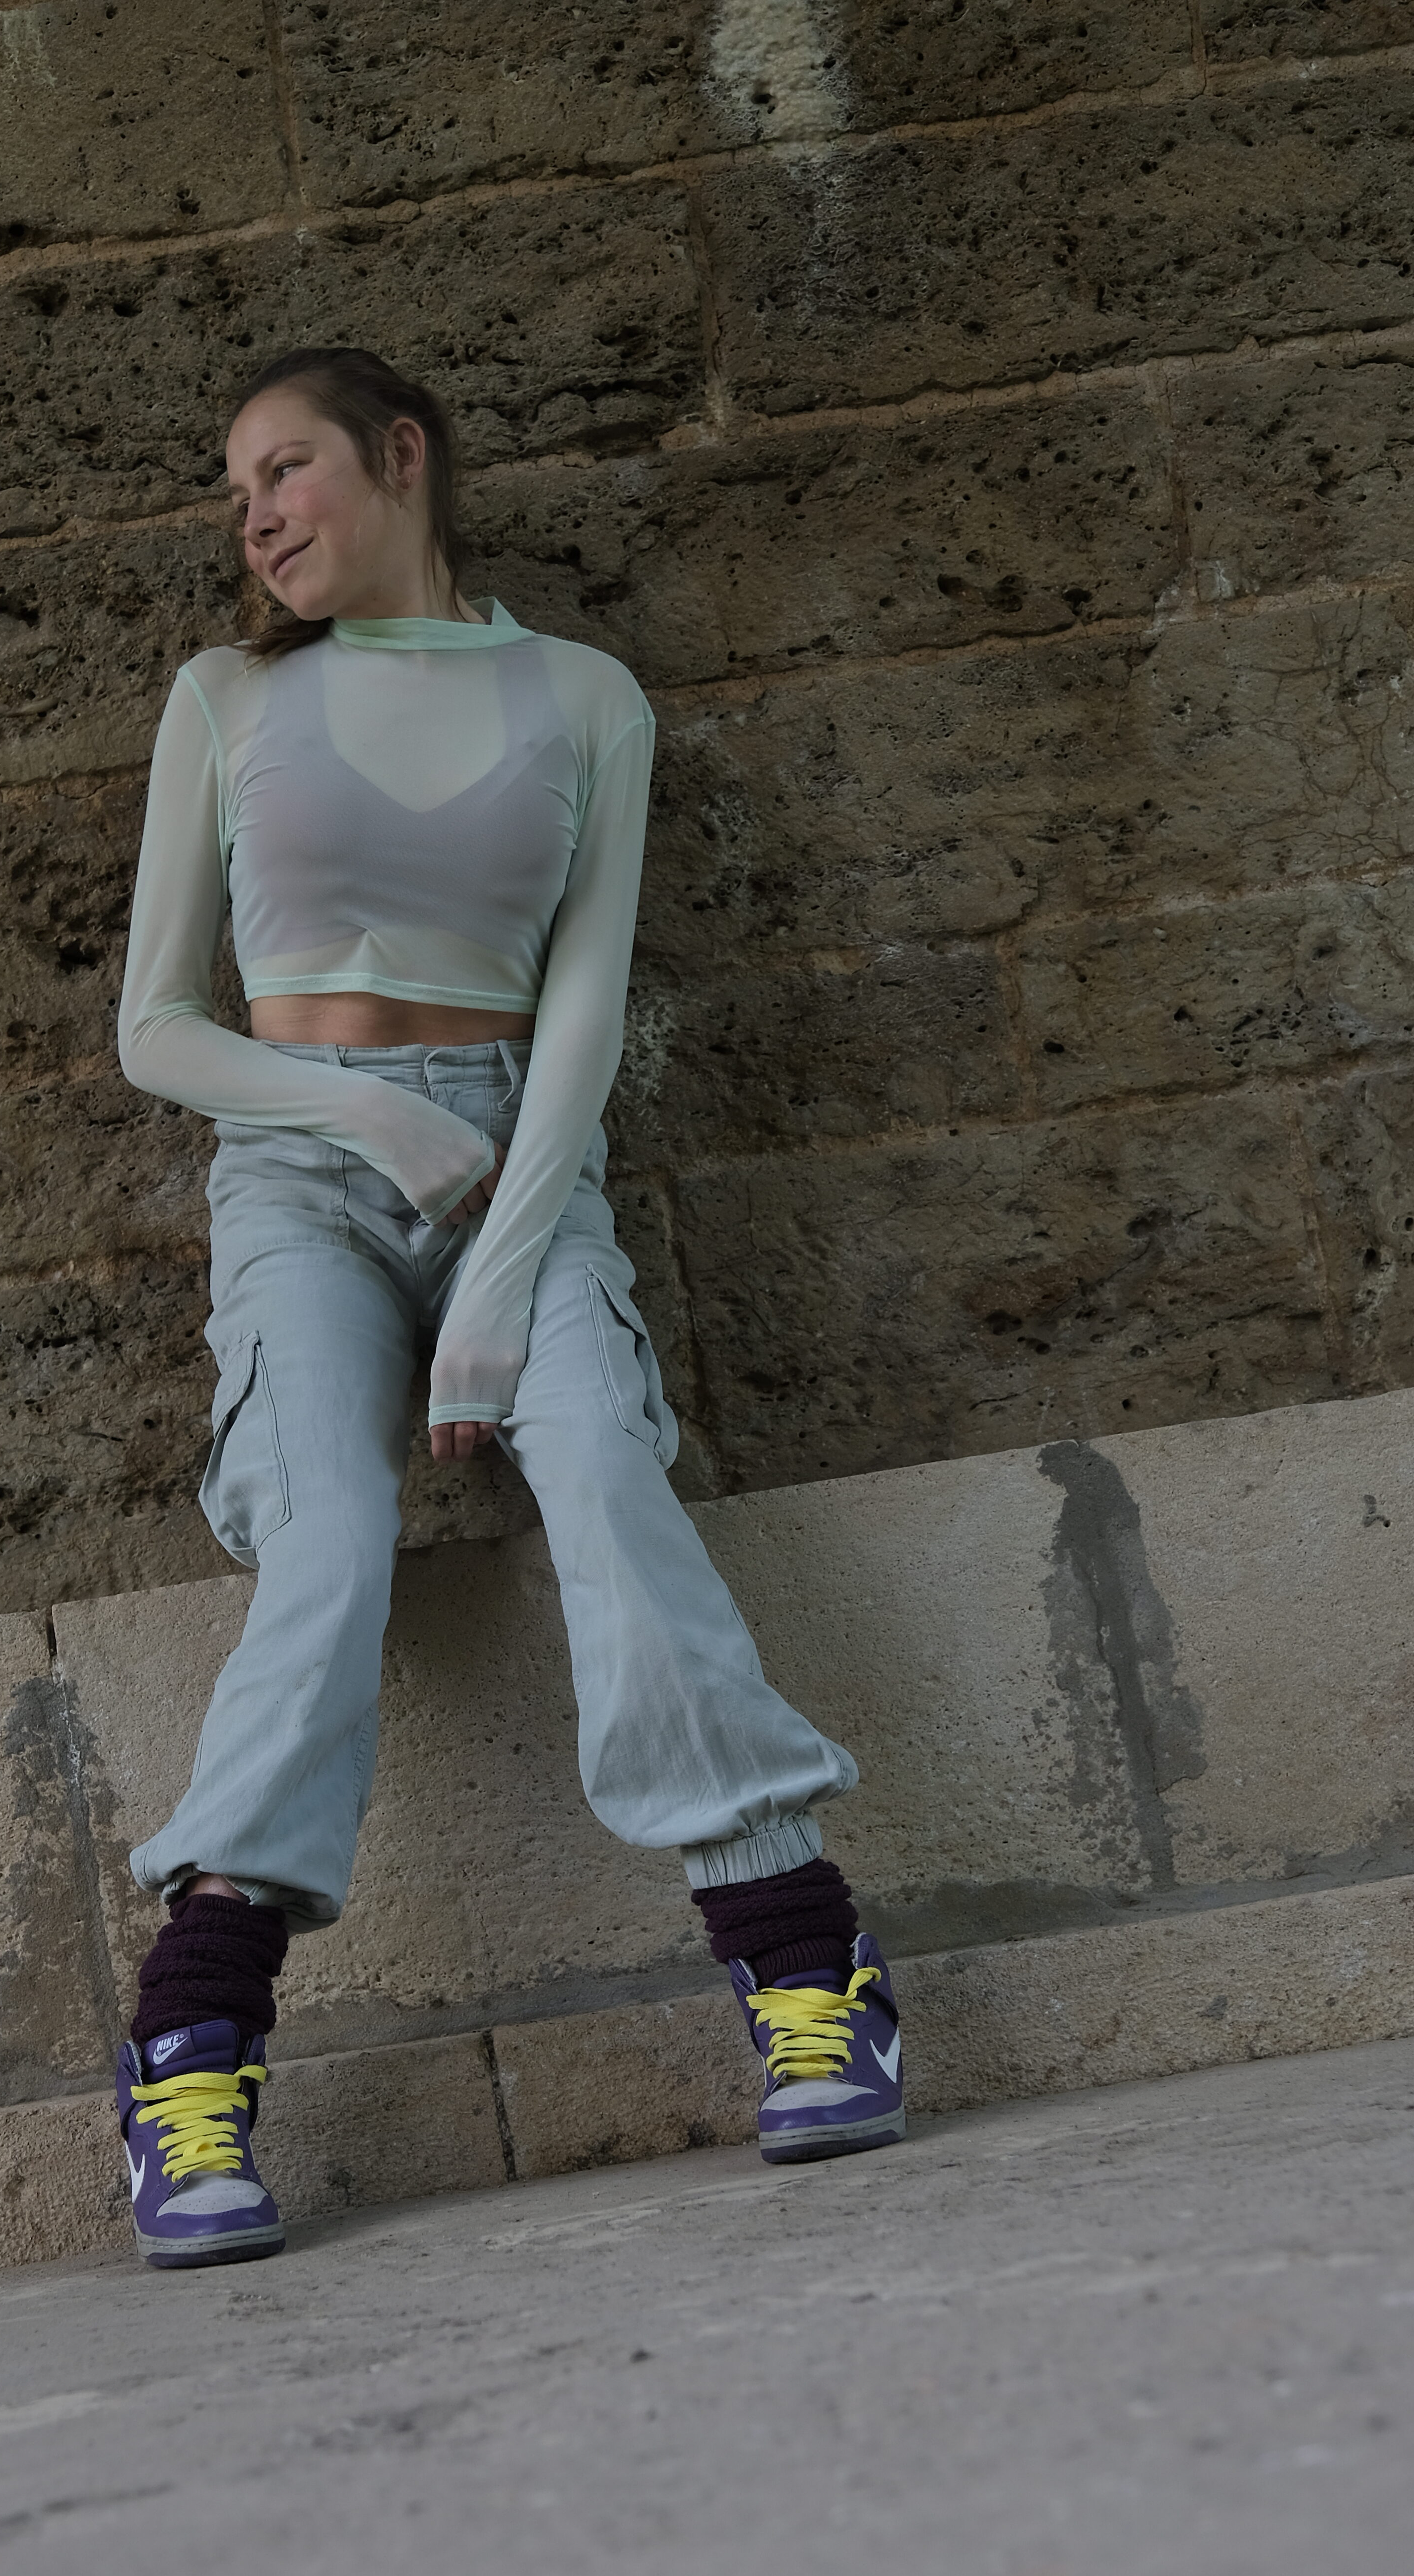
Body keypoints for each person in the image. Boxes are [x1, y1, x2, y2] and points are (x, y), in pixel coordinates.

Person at [112, 347, 901, 2269]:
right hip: (301, 1176)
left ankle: (810, 1966)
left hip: (521, 1169)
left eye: (285, 468)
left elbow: (586, 1009)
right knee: (329, 1539)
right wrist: (371, 1118)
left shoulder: (584, 698)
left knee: (605, 1472)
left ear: (402, 456)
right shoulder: (225, 698)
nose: (257, 517)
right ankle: (188, 2054)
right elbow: (157, 1028)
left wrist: (499, 1267)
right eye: (237, 491)